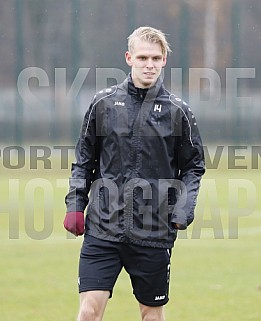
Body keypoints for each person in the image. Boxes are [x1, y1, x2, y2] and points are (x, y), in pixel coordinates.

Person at [64, 26, 205, 321]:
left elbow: (193, 166)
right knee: (89, 311)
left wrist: (183, 210)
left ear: (164, 60)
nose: (149, 64)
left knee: (151, 315)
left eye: (156, 57)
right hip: (103, 229)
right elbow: (84, 160)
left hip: (153, 232)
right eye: (142, 57)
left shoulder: (178, 111)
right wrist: (76, 204)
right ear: (129, 58)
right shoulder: (103, 104)